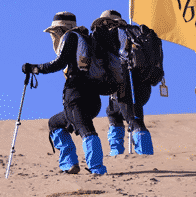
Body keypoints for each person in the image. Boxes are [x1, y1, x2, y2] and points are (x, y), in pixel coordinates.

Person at [22, 11, 108, 175]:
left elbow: (59, 63)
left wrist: (35, 68)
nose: (54, 35)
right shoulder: (87, 39)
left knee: (86, 130)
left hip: (76, 96)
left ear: (62, 29)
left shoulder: (71, 37)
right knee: (55, 123)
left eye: (55, 31)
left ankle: (97, 168)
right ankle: (69, 164)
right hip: (93, 98)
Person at [96, 10, 160, 156]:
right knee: (113, 112)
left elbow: (109, 58)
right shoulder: (134, 34)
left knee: (133, 118)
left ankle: (144, 154)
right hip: (143, 83)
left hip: (126, 82)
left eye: (104, 23)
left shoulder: (115, 33)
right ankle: (116, 152)